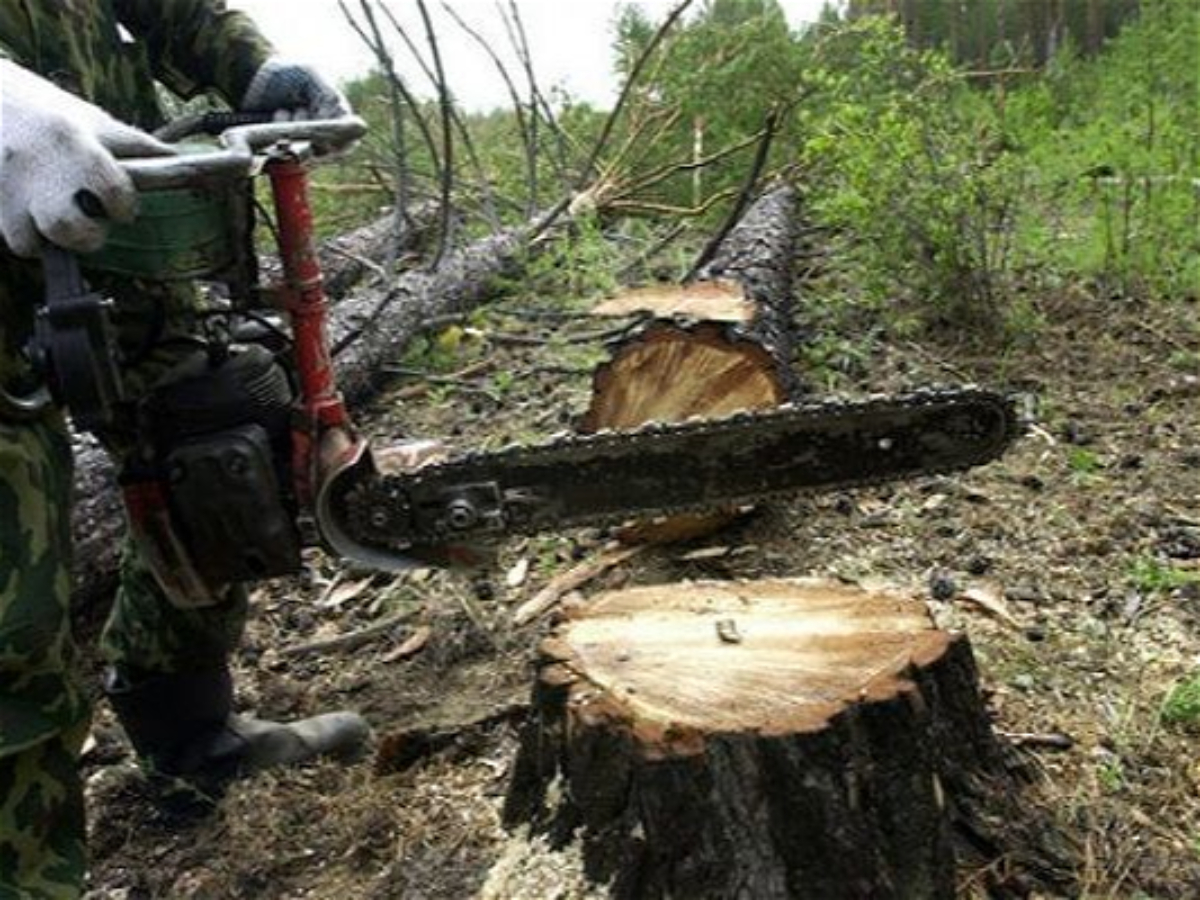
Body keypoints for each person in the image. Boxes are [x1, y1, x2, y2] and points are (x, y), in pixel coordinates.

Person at [0, 3, 371, 896]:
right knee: (9, 616)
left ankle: (192, 739)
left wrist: (249, 67)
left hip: (109, 189)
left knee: (216, 451)